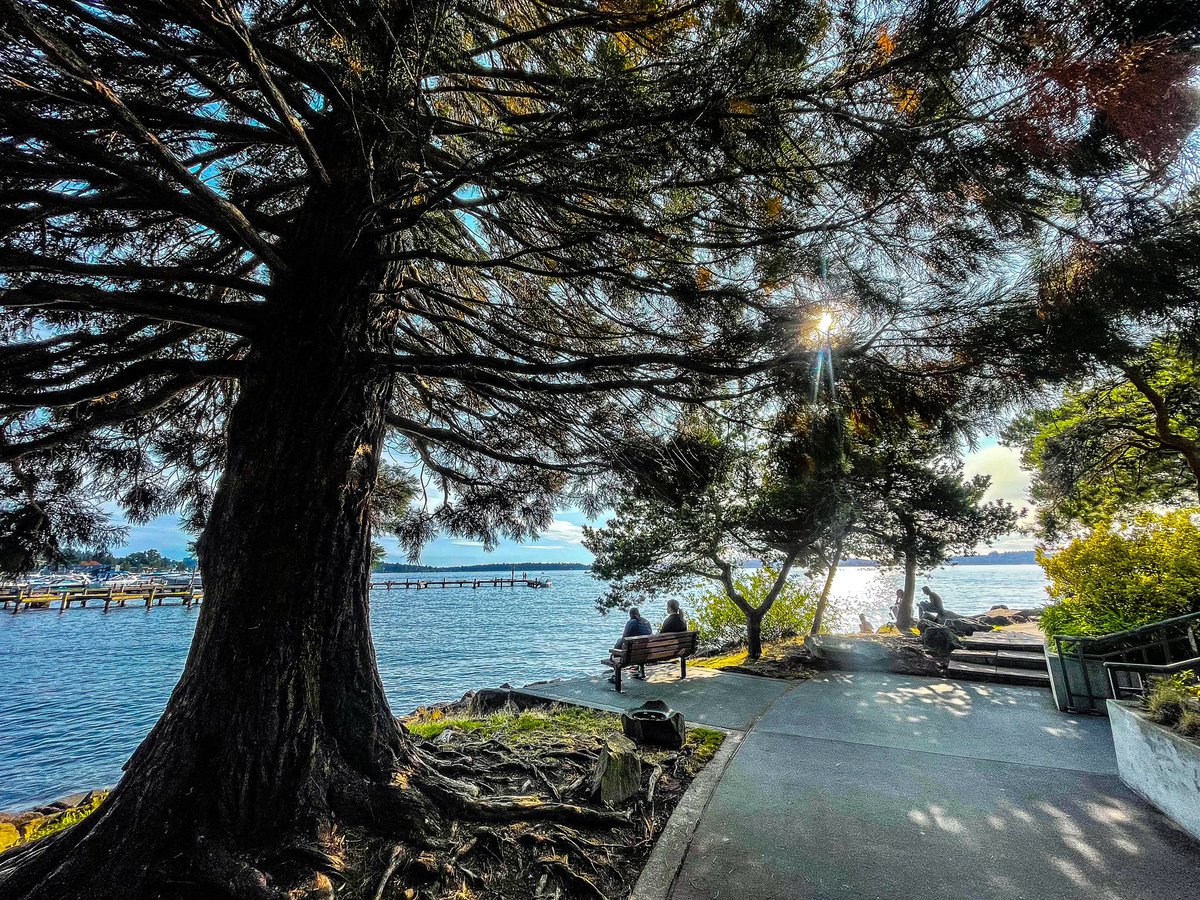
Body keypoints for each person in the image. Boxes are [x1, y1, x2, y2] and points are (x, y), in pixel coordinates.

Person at [610, 607, 653, 683]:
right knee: (639, 649)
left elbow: (624, 638)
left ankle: (616, 676)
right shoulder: (646, 622)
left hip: (631, 655)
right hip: (645, 653)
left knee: (616, 651)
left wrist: (614, 650)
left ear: (630, 615)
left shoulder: (631, 622)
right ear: (638, 613)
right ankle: (642, 672)